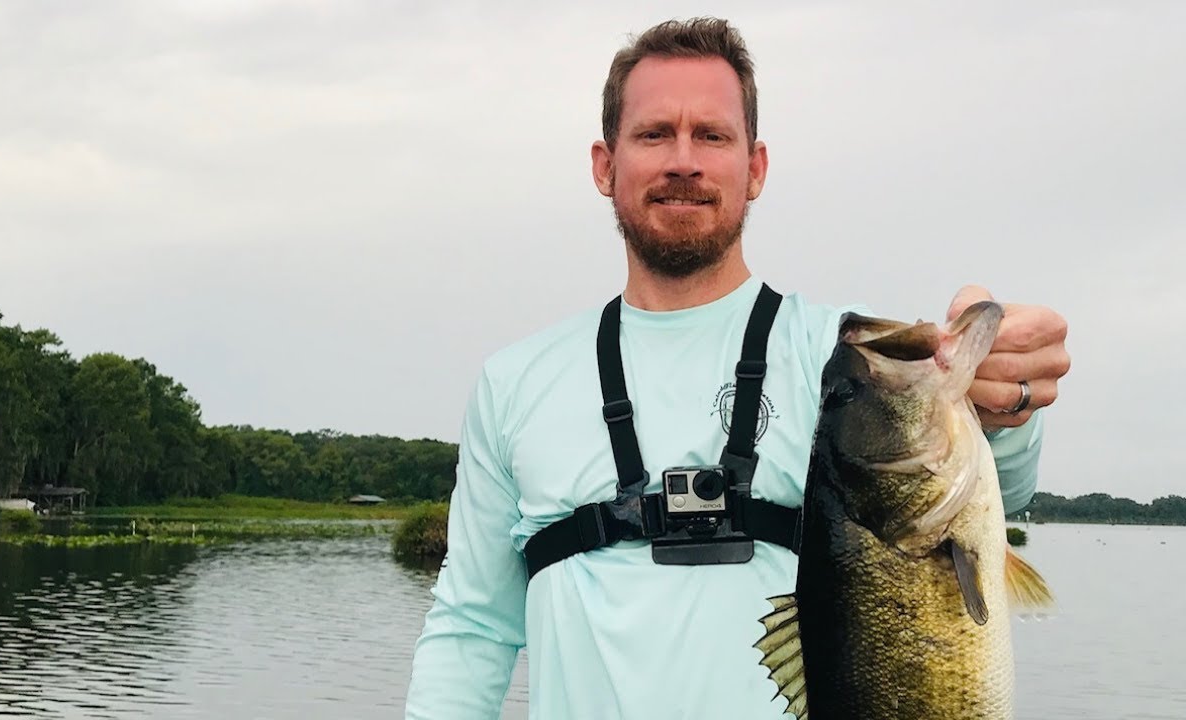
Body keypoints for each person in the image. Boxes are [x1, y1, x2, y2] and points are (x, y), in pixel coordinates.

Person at [403, 16, 1070, 720]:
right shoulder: (515, 386)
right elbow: (470, 631)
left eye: (712, 136)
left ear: (755, 168)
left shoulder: (848, 360)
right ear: (606, 165)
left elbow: (1004, 485)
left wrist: (1007, 396)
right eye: (655, 133)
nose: (683, 160)